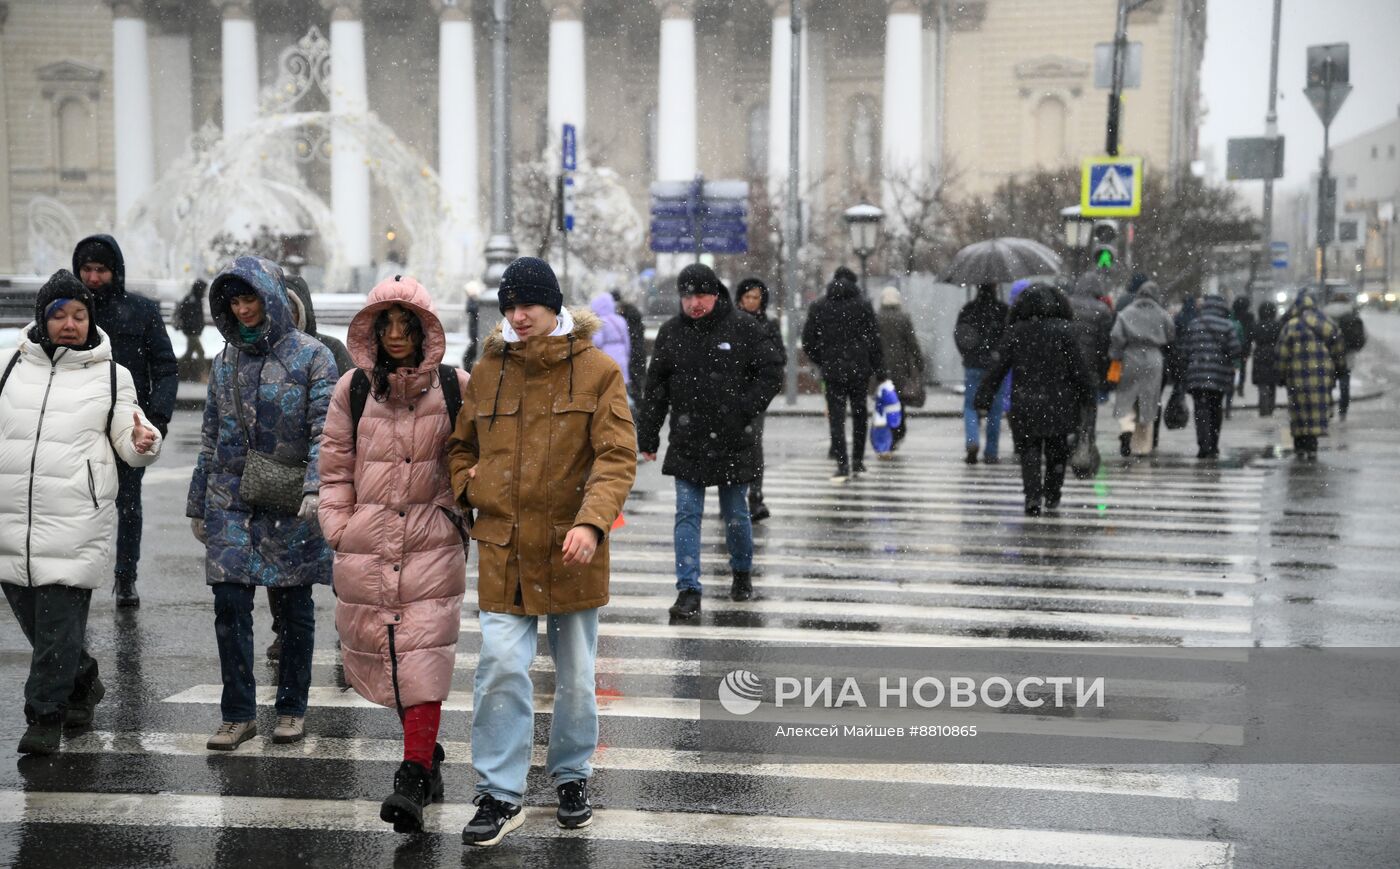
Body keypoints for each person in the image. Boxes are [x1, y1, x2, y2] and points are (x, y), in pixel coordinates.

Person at [447, 256, 635, 847]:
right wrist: (470, 485)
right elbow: (459, 449)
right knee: (499, 668)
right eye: (508, 306)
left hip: (570, 546)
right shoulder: (488, 371)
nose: (517, 316)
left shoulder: (598, 370)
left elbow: (615, 456)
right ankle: (500, 794)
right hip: (504, 546)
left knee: (577, 676)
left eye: (527, 304)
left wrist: (592, 522)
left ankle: (572, 775)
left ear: (554, 306)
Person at [318, 276, 470, 834]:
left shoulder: (456, 387)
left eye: (409, 325)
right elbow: (334, 470)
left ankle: (410, 774)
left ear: (426, 330)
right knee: (388, 652)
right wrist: (340, 527)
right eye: (389, 325)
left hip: (432, 541)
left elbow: (472, 460)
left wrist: (457, 516)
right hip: (369, 542)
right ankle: (426, 757)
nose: (399, 335)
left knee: (423, 655)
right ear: (374, 332)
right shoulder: (353, 390)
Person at [0, 271, 162, 754]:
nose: (69, 324)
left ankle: (44, 717)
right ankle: (84, 677)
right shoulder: (10, 365)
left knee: (56, 625)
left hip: (75, 519)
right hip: (12, 518)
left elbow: (129, 438)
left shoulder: (112, 375)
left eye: (79, 315)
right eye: (59, 315)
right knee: (39, 626)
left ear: (91, 319)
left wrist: (142, 442)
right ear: (42, 319)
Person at [186, 255, 337, 751]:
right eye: (234, 300)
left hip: (291, 499)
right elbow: (210, 435)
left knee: (293, 607)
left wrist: (316, 487)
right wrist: (197, 502)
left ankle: (291, 707)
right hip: (230, 499)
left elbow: (326, 432)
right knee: (229, 605)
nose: (243, 308)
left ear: (270, 296)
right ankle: (238, 714)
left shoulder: (313, 356)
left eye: (250, 297)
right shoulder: (226, 359)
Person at [638, 264, 783, 618]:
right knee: (687, 515)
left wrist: (747, 408)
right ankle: (688, 590)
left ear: (715, 294)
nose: (694, 303)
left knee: (736, 514)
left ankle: (741, 574)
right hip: (688, 440)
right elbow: (655, 388)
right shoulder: (672, 333)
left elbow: (772, 370)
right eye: (687, 296)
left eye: (700, 295)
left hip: (734, 440)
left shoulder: (744, 328)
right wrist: (648, 434)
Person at [72, 234, 178, 608]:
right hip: (81, 425)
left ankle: (125, 578)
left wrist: (157, 420)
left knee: (129, 504)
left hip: (130, 424)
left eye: (101, 269)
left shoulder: (142, 311)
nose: (93, 277)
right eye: (87, 269)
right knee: (81, 503)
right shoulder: (72, 314)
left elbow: (165, 367)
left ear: (115, 271)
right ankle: (76, 580)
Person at [262, 274, 355, 663]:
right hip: (282, 472)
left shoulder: (331, 350)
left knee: (341, 554)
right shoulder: (261, 352)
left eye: (292, 308)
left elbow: (355, 406)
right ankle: (284, 631)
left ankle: (348, 624)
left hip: (333, 468)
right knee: (281, 559)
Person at [974, 283, 1094, 516]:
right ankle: (1052, 493)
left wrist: (983, 397)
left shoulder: (1016, 331)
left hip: (1025, 401)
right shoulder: (1066, 331)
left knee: (1028, 450)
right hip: (1059, 402)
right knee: (1056, 451)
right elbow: (1079, 369)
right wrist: (1087, 395)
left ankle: (1032, 496)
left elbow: (997, 367)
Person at [802, 267, 884, 480]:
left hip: (833, 370)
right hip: (859, 369)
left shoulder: (819, 306)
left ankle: (842, 462)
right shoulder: (864, 306)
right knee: (859, 414)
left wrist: (823, 359)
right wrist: (878, 367)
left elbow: (808, 341)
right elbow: (875, 340)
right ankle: (858, 460)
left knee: (836, 418)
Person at [735, 277, 786, 520]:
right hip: (733, 395)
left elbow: (779, 359)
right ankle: (733, 497)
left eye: (756, 297)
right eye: (747, 297)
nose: (751, 302)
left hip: (755, 396)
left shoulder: (769, 325)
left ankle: (755, 497)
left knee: (754, 446)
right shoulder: (731, 323)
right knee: (733, 448)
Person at [1276, 290, 1347, 462]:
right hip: (1321, 375)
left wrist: (1280, 374)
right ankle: (1312, 446)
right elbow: (1339, 348)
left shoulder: (1291, 326)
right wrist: (1339, 369)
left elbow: (1282, 353)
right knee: (1316, 409)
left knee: (1298, 409)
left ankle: (1300, 444)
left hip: (1297, 375)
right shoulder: (1327, 324)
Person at [1109, 281, 1175, 458]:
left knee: (1127, 397)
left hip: (1130, 356)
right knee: (1148, 400)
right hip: (1154, 358)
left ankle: (1127, 429)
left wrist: (1115, 356)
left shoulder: (1126, 313)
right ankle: (1141, 445)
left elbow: (1116, 336)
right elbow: (1171, 334)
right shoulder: (1162, 314)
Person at [954, 283, 1010, 465]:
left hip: (973, 365)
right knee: (995, 409)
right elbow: (1009, 338)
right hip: (995, 367)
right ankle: (991, 453)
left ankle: (972, 441)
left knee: (971, 406)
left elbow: (959, 335)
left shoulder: (968, 310)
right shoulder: (1003, 311)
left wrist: (967, 354)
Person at [1181, 295, 1242, 459]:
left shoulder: (1194, 324)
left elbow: (1185, 351)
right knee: (1216, 410)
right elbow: (1236, 351)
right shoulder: (1228, 326)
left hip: (1197, 375)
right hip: (1219, 376)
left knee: (1201, 411)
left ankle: (1203, 445)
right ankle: (1213, 445)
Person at [874, 286, 925, 450]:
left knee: (883, 401)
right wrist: (919, 362)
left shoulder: (877, 318)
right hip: (900, 367)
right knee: (899, 401)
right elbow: (912, 343)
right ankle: (898, 431)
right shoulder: (904, 318)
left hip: (881, 366)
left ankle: (886, 434)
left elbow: (871, 343)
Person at [1067, 271, 1115, 446]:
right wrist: (1105, 372)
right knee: (1089, 403)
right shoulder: (1102, 310)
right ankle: (1086, 438)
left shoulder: (1067, 304)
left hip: (1069, 365)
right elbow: (1105, 343)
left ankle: (1071, 435)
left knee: (1070, 401)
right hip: (1091, 366)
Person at [286, 274, 355, 376]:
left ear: (302, 311)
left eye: (291, 308)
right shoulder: (259, 351)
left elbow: (350, 388)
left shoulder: (332, 348)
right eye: (277, 308)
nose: (284, 314)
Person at [1323, 290, 1366, 420]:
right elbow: (1363, 335)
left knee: (1328, 384)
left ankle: (1329, 407)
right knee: (1344, 385)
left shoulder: (1325, 312)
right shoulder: (1351, 312)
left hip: (1329, 355)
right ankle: (1343, 412)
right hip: (1347, 356)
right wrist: (1355, 348)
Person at [611, 288, 648, 405]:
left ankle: (636, 407)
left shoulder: (624, 315)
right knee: (637, 383)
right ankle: (638, 406)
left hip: (633, 353)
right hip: (638, 352)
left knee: (633, 383)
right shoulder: (632, 313)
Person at [588, 291, 632, 386]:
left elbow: (598, 342)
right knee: (621, 383)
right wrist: (626, 355)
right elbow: (627, 341)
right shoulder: (621, 320)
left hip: (608, 353)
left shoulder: (600, 321)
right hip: (622, 353)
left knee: (608, 383)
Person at [1251, 300, 1283, 417]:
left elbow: (1252, 337)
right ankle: (1270, 406)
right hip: (1274, 354)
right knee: (1272, 382)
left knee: (1262, 382)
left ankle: (1263, 406)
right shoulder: (1278, 325)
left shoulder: (1257, 325)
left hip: (1260, 353)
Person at [174, 279, 208, 363]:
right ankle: (203, 374)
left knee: (189, 353)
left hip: (193, 331)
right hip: (191, 331)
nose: (204, 292)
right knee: (200, 352)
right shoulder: (192, 300)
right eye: (204, 289)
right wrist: (194, 328)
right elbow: (189, 317)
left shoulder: (196, 298)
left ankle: (179, 369)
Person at [1231, 296, 1256, 401]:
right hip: (1245, 346)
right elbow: (1252, 331)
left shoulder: (1232, 316)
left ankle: (1232, 386)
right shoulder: (1250, 316)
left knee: (1232, 366)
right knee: (1243, 367)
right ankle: (1240, 386)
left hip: (1232, 344)